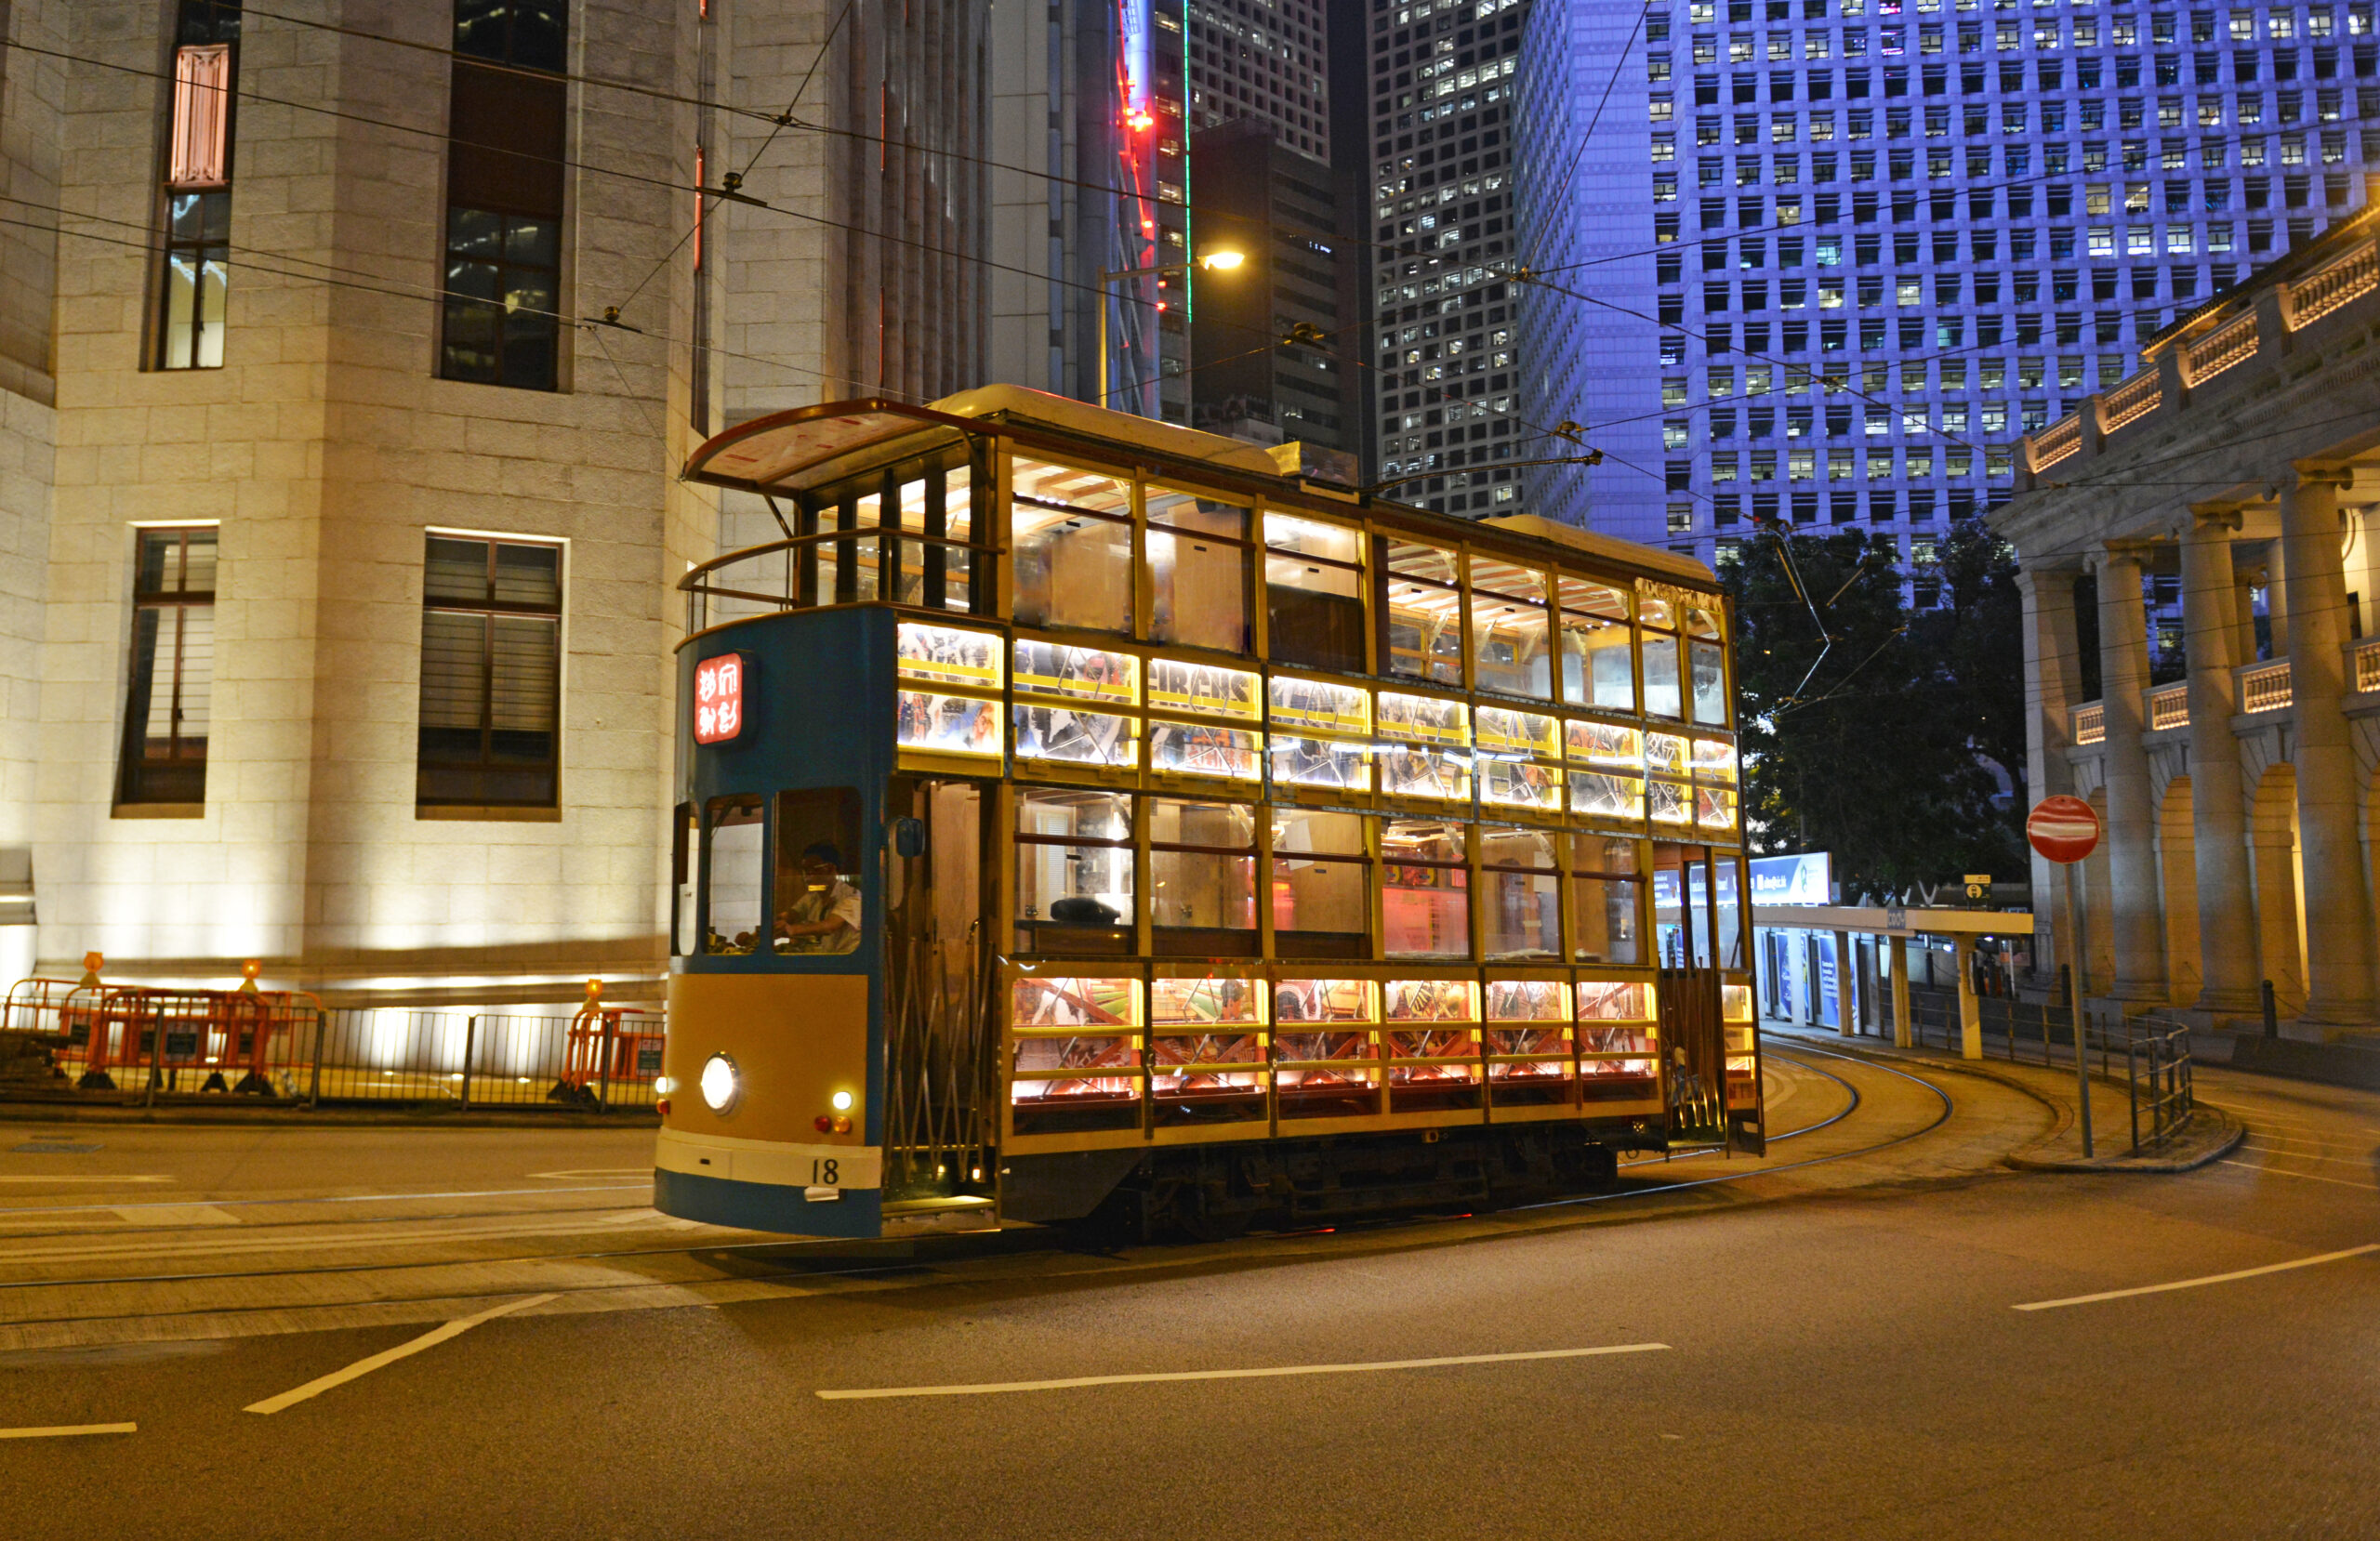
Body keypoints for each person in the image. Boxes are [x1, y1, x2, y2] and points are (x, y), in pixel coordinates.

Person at [775, 842, 862, 954]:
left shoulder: (853, 897)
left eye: (813, 870)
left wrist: (792, 929)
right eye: (805, 871)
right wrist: (762, 931)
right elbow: (789, 916)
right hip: (826, 961)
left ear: (831, 869)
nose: (807, 877)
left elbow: (829, 926)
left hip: (849, 965)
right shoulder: (812, 897)